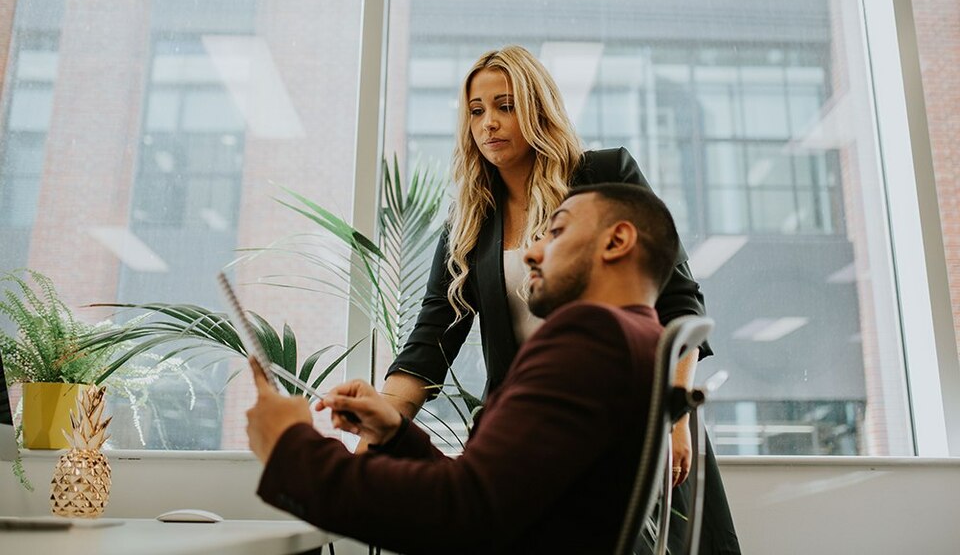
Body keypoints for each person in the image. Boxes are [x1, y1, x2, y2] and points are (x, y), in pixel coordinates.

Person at [381, 45, 739, 553]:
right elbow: (429, 344)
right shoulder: (467, 226)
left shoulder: (606, 176)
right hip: (529, 439)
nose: (489, 123)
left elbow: (677, 300)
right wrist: (377, 422)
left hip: (632, 424)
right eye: (477, 111)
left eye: (505, 105)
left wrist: (674, 416)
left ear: (537, 108)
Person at [248, 183, 687, 553]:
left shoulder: (591, 334)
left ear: (616, 241)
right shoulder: (642, 341)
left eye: (555, 232)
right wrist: (394, 434)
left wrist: (291, 447)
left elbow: (463, 514)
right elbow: (494, 496)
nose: (532, 252)